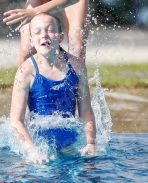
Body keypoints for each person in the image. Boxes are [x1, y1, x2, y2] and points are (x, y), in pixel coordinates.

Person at [9, 12, 96, 160]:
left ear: (61, 37)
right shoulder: (26, 71)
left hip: (71, 143)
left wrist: (91, 143)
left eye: (50, 30)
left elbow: (86, 110)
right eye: (37, 32)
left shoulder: (77, 66)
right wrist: (33, 151)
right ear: (31, 41)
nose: (44, 35)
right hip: (38, 144)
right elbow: (16, 121)